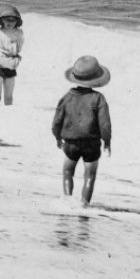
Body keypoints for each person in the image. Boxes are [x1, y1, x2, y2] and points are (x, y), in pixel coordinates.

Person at [50, 56, 112, 207]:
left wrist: (58, 137)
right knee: (89, 176)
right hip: (91, 144)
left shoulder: (66, 97)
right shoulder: (98, 98)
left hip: (70, 143)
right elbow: (105, 125)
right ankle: (84, 206)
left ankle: (67, 202)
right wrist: (107, 141)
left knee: (67, 173)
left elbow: (56, 122)